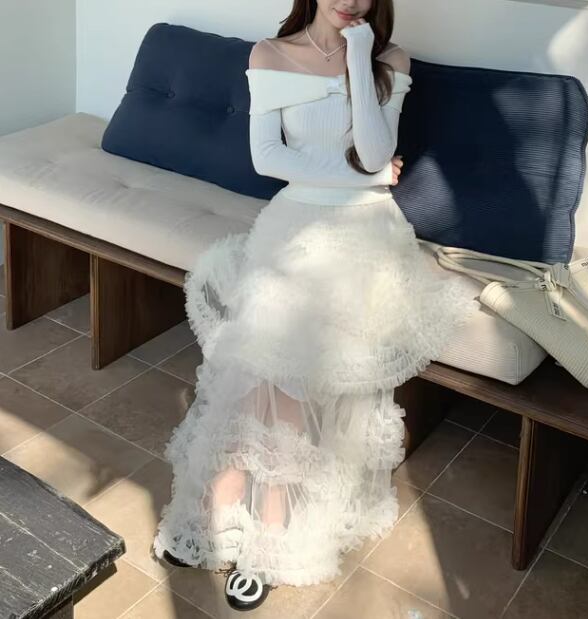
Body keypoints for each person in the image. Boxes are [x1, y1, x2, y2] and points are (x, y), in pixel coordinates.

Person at [153, 0, 478, 611]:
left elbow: (376, 152)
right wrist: (370, 179)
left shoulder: (389, 61)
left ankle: (269, 527)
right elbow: (269, 158)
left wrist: (358, 55)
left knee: (294, 364)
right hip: (294, 222)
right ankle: (226, 496)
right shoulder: (271, 55)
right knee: (258, 355)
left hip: (366, 236)